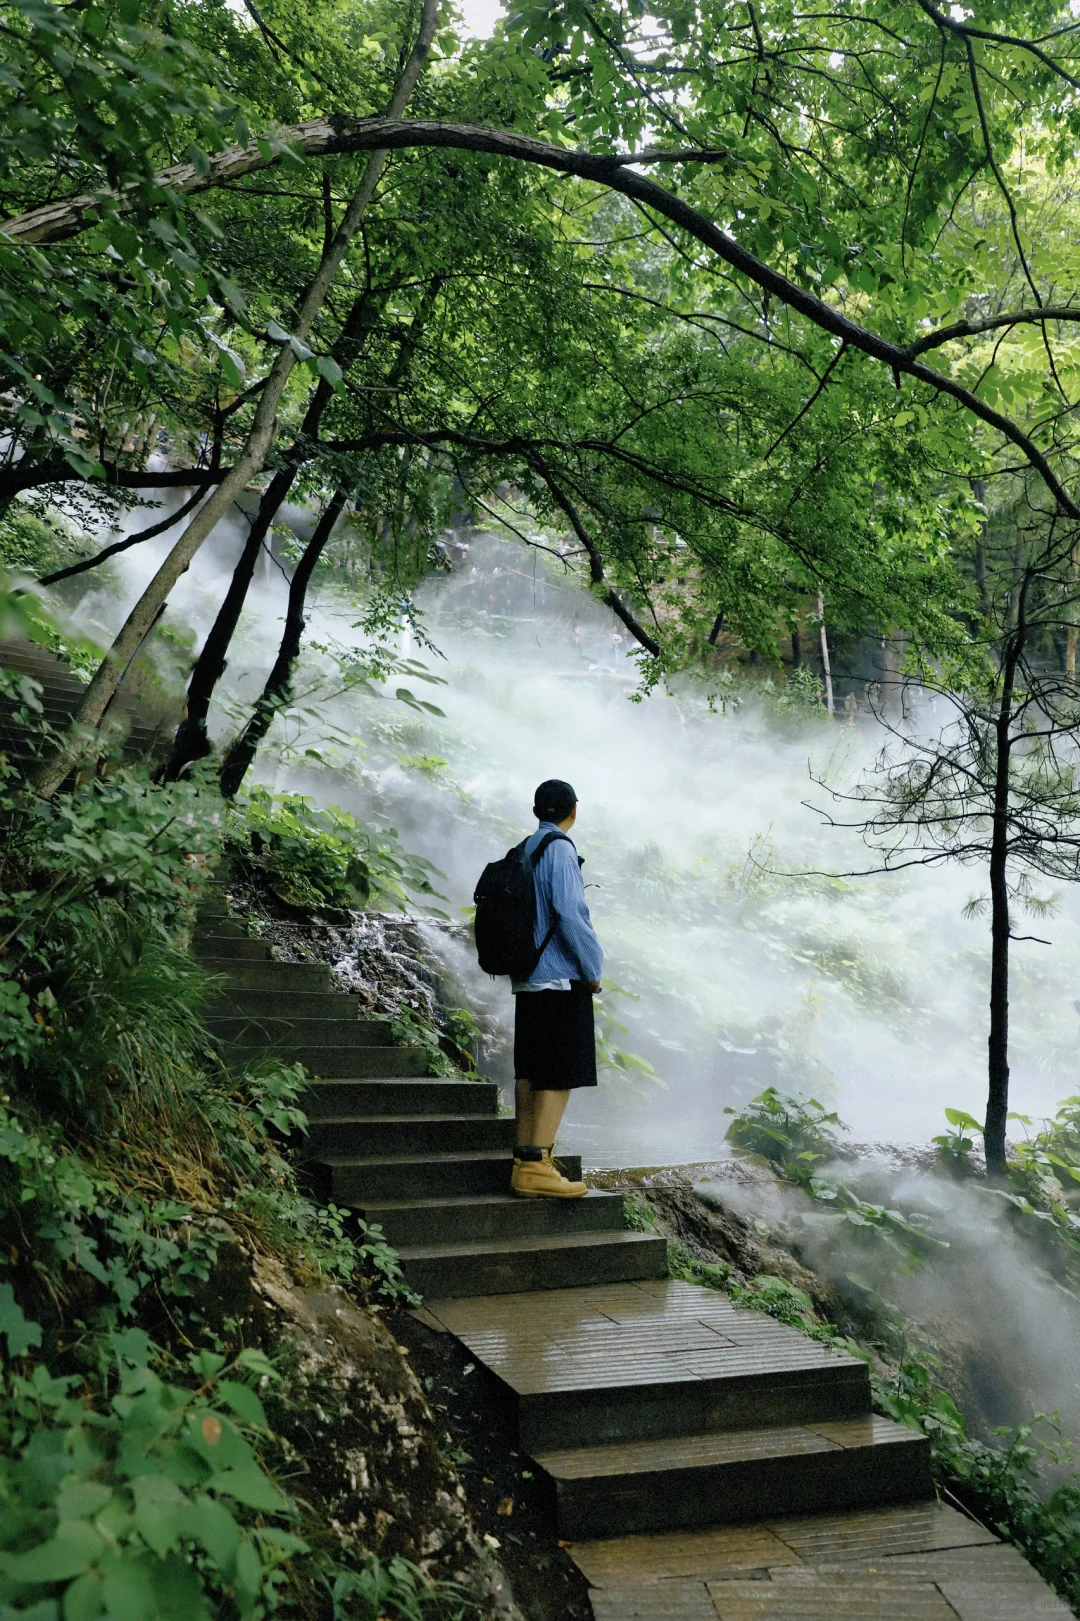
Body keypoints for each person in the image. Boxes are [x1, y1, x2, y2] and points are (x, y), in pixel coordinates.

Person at [510, 778, 603, 1198]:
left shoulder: (526, 847)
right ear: (573, 811)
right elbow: (569, 913)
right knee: (558, 1071)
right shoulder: (561, 849)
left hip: (529, 979)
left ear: (536, 811)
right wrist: (592, 968)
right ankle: (537, 1167)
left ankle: (523, 1161)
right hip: (559, 979)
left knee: (530, 1071)